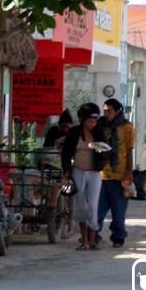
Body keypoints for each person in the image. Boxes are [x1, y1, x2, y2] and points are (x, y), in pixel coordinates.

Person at [61, 102, 105, 250]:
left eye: (95, 121)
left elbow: (108, 150)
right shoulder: (74, 133)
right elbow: (66, 153)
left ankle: (93, 239)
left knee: (93, 205)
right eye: (90, 121)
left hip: (94, 173)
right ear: (83, 120)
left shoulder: (99, 132)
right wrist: (67, 171)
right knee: (81, 205)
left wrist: (102, 151)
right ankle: (84, 240)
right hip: (78, 171)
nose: (93, 124)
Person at [95, 99, 135, 247]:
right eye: (104, 111)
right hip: (102, 174)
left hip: (120, 175)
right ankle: (94, 234)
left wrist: (128, 172)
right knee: (98, 210)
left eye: (109, 111)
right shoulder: (99, 126)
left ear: (118, 111)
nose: (106, 114)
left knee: (118, 211)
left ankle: (118, 236)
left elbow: (130, 151)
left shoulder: (127, 128)